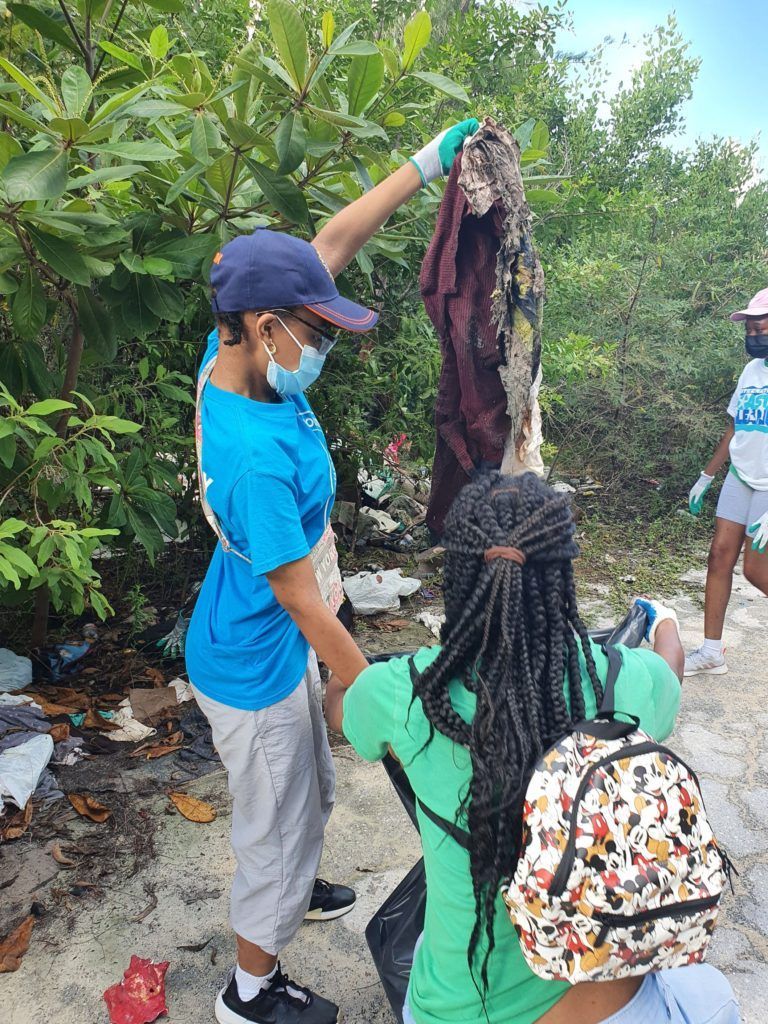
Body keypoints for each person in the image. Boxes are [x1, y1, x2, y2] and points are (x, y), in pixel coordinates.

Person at [183, 118, 480, 1024]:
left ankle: (294, 881)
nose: (326, 348)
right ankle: (250, 990)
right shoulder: (253, 459)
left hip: (263, 637)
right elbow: (304, 604)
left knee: (306, 783)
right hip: (252, 656)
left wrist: (428, 162)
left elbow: (334, 240)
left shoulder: (236, 347)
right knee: (274, 821)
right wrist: (389, 696)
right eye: (318, 333)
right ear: (267, 329)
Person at [326, 472, 740, 1024]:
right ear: (561, 577)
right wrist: (663, 620)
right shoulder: (617, 680)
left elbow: (341, 706)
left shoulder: (403, 692)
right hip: (599, 995)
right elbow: (672, 666)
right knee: (710, 994)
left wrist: (334, 630)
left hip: (455, 1007)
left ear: (459, 578)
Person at [685, 288, 768, 677]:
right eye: (750, 329)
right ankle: (711, 650)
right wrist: (707, 475)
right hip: (740, 477)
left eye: (760, 327)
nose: (754, 335)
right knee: (719, 556)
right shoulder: (751, 372)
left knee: (756, 571)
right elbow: (735, 427)